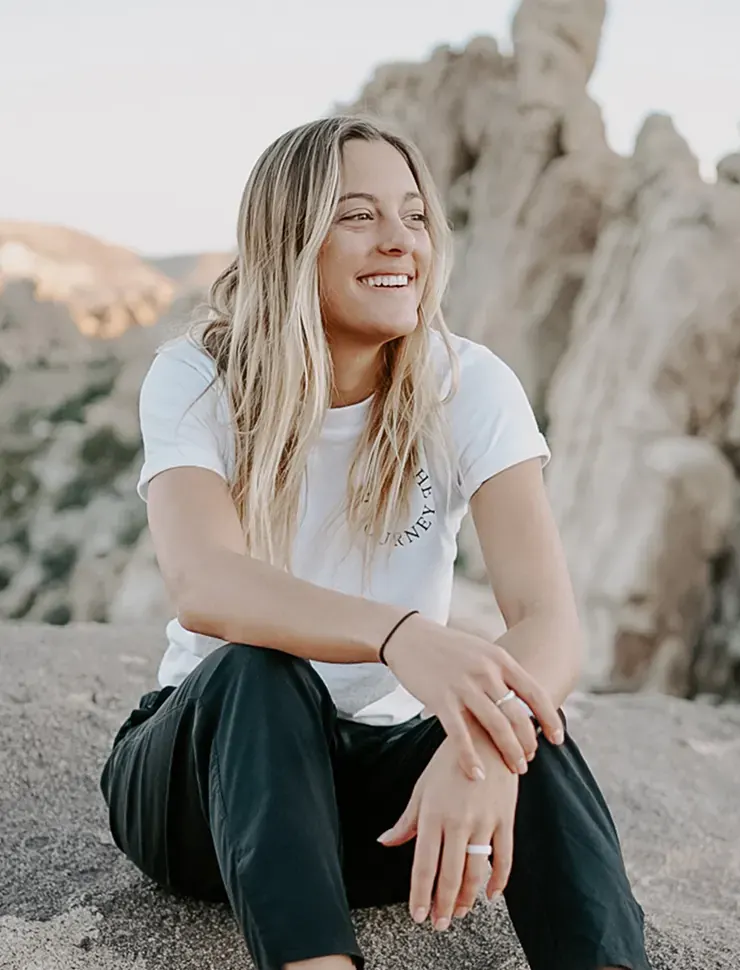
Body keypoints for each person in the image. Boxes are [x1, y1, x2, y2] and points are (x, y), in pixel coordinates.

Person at [99, 115, 651, 970]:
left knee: (531, 722)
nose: (400, 241)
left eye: (416, 215)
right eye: (358, 215)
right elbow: (204, 582)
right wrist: (401, 637)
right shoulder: (199, 375)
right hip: (207, 792)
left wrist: (482, 750)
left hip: (379, 812)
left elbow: (548, 619)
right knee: (257, 665)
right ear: (293, 239)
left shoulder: (468, 384)